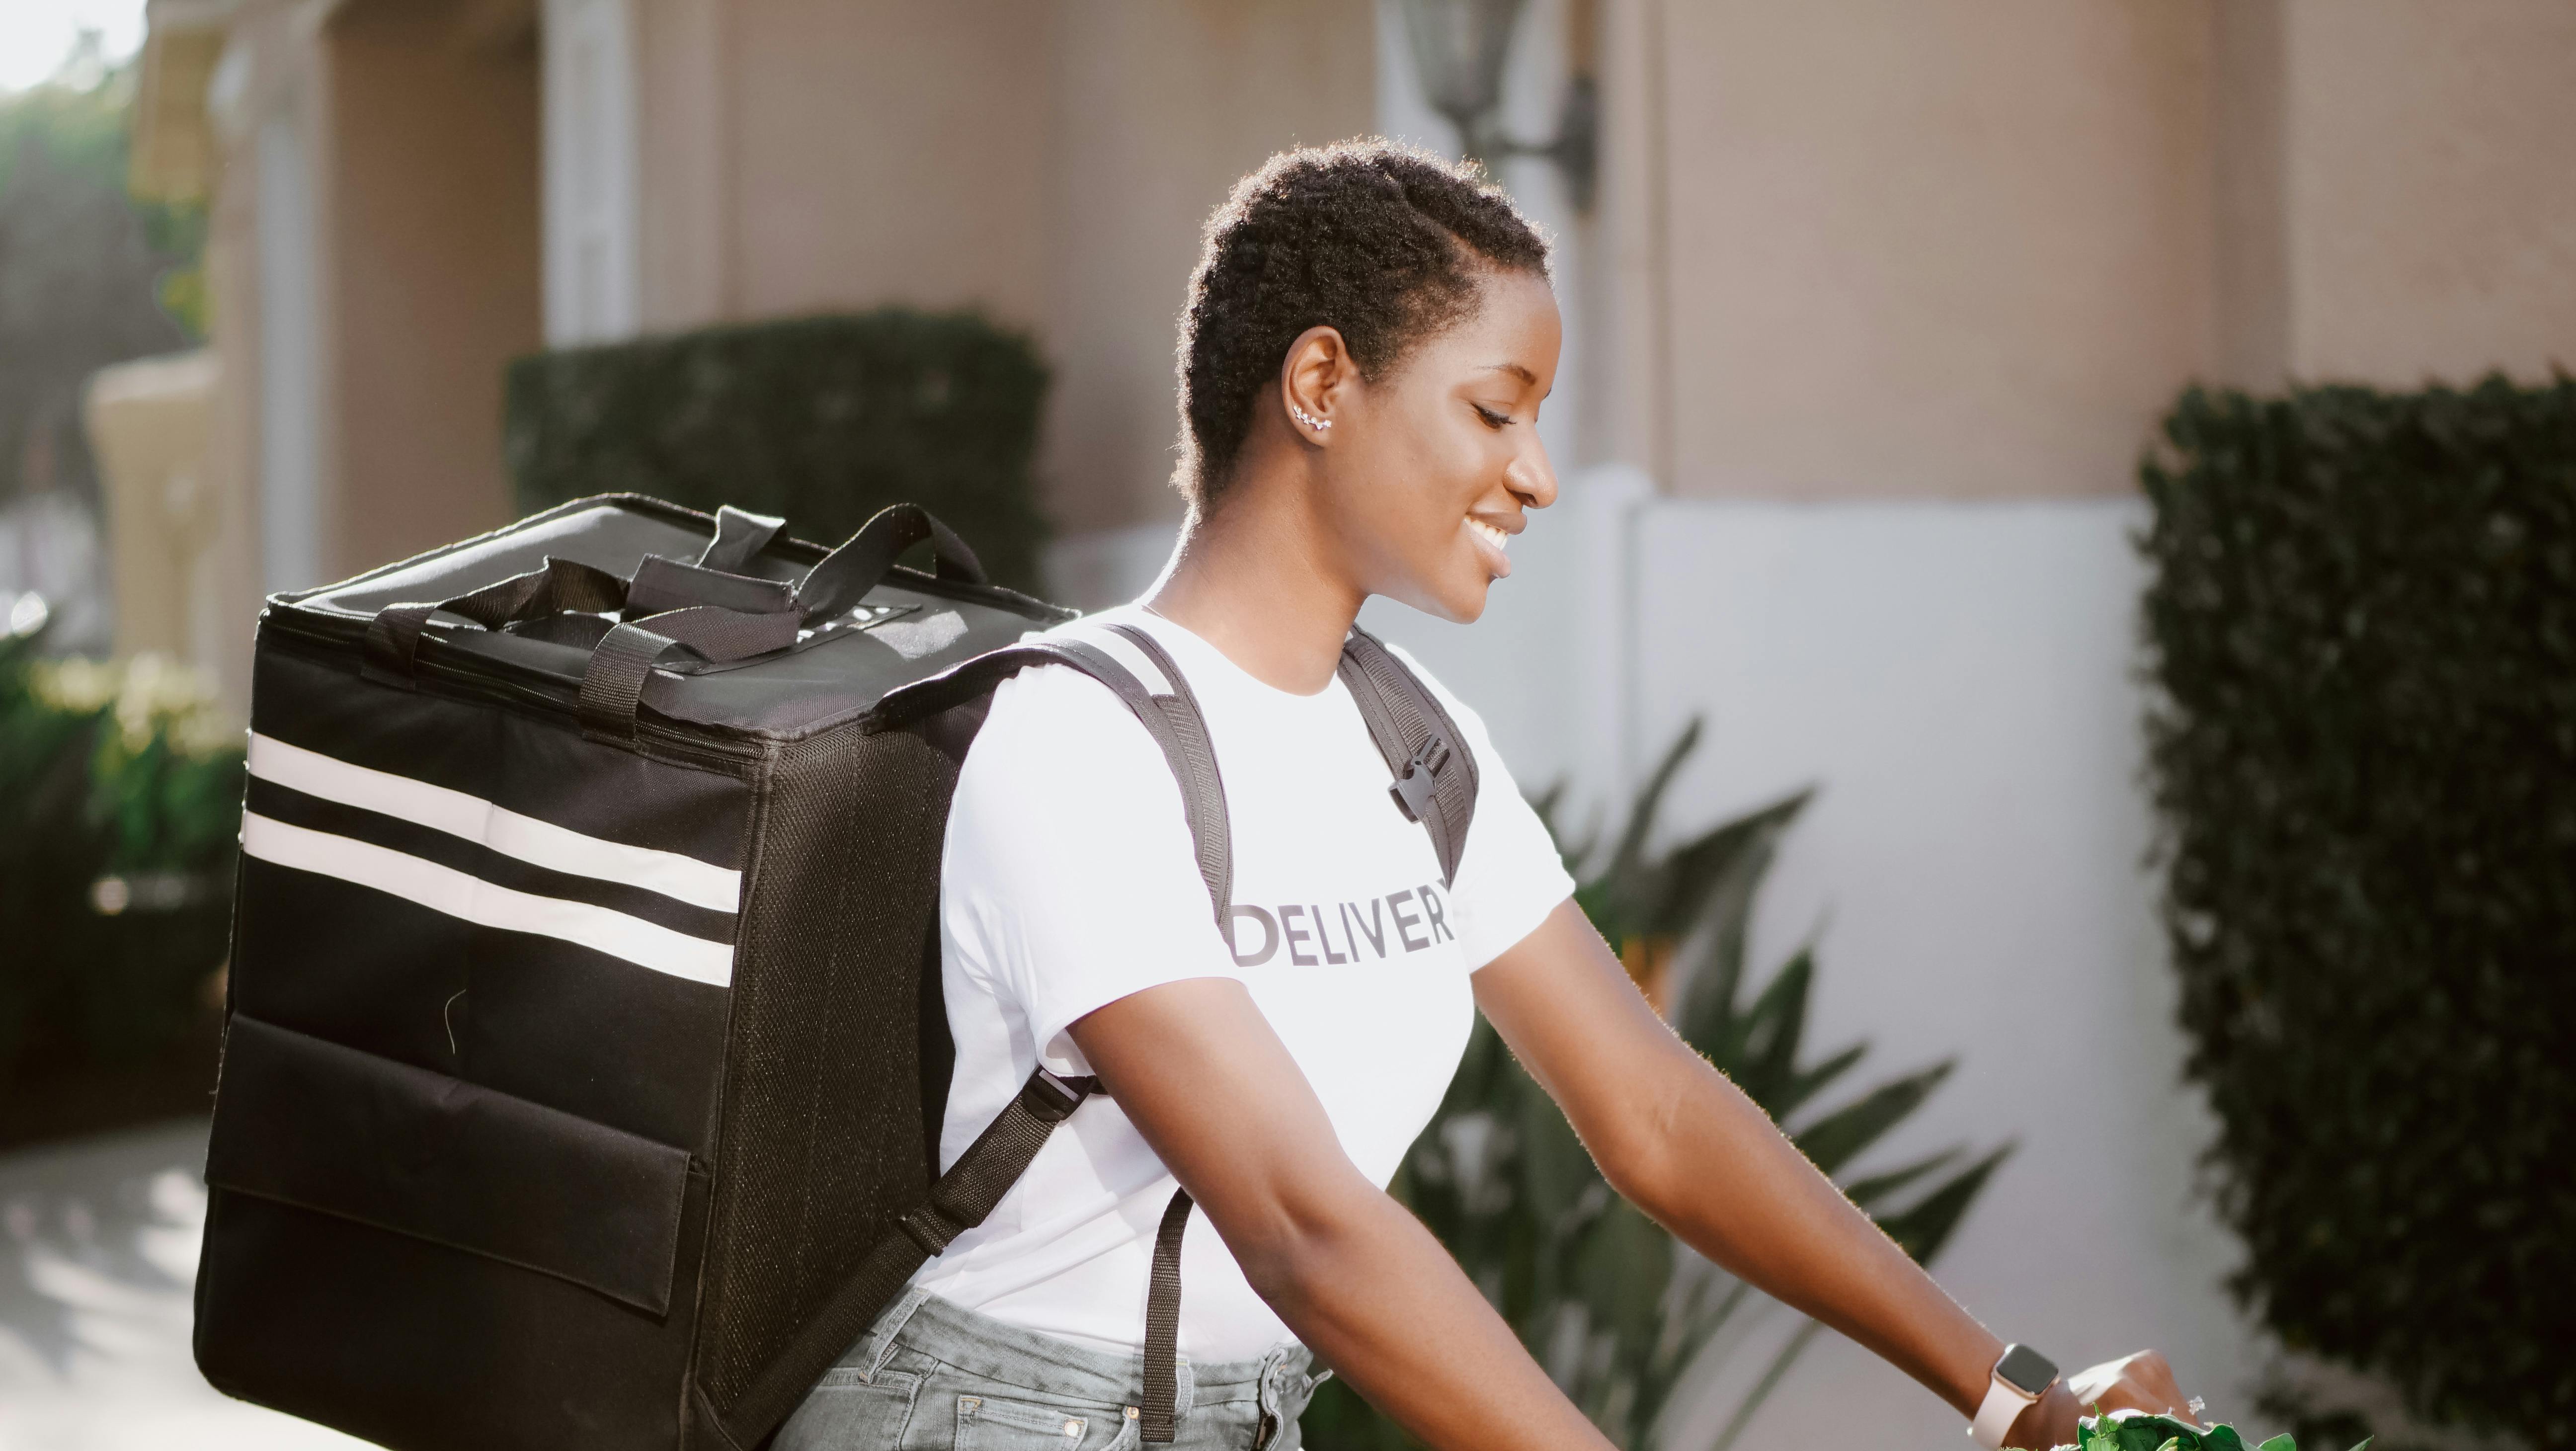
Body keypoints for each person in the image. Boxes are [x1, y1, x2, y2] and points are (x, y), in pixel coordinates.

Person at [779, 139, 2196, 1451]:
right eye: (1494, 409)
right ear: (1322, 385)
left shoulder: (1412, 739)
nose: (1536, 475)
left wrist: (2011, 1395)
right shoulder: (1078, 736)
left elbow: (1654, 1115)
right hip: (984, 1420)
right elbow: (1300, 1227)